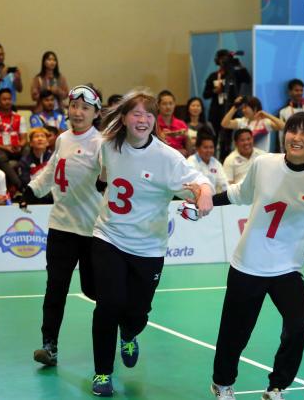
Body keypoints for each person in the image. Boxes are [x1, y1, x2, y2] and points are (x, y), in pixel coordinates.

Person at [89, 87, 213, 396]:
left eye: (148, 114)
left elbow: (199, 181)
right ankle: (103, 373)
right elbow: (103, 175)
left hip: (148, 247)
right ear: (125, 118)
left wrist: (205, 194)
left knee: (138, 312)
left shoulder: (167, 157)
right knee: (108, 304)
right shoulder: (107, 145)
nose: (142, 119)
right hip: (109, 235)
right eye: (136, 113)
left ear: (155, 120)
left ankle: (129, 333)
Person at [210, 112, 304, 400]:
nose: (297, 137)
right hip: (248, 263)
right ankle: (222, 383)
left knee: (298, 326)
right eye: (293, 131)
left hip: (286, 270)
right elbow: (240, 194)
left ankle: (277, 386)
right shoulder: (263, 164)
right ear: (284, 135)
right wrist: (208, 201)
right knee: (235, 333)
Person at [16, 85, 104, 366]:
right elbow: (53, 171)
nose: (77, 112)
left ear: (95, 113)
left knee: (94, 291)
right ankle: (49, 346)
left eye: (85, 108)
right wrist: (31, 189)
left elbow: (115, 179)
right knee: (55, 288)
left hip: (92, 230)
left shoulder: (101, 144)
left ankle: (125, 328)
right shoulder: (62, 139)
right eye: (74, 106)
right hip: (61, 227)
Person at [204, 49, 252, 159]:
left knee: (228, 139)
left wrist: (239, 65)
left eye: (226, 59)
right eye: (221, 60)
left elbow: (247, 79)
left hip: (231, 111)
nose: (224, 62)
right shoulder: (213, 76)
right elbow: (205, 94)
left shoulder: (236, 74)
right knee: (214, 138)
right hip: (216, 112)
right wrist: (214, 91)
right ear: (217, 61)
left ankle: (225, 158)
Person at [0, 88, 28, 190]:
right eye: (4, 99)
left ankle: (26, 179)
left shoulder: (19, 117)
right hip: (2, 148)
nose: (7, 101)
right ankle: (20, 185)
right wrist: (5, 147)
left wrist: (20, 145)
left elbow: (24, 138)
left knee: (27, 150)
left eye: (9, 99)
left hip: (17, 148)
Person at [17, 128, 53, 200]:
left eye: (42, 136)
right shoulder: (24, 161)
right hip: (33, 194)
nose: (40, 139)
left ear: (47, 142)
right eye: (36, 136)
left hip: (50, 194)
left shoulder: (53, 158)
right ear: (31, 143)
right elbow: (26, 182)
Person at [277, 79, 304, 150]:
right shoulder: (283, 112)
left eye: (301, 90)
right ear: (290, 92)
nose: (299, 93)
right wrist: (283, 152)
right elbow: (281, 135)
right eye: (296, 90)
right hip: (291, 148)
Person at [157, 90, 191, 156]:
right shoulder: (153, 124)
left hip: (180, 160)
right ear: (158, 106)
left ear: (174, 105)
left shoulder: (181, 124)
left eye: (170, 103)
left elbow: (189, 152)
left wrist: (187, 137)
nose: (168, 107)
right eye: (164, 104)